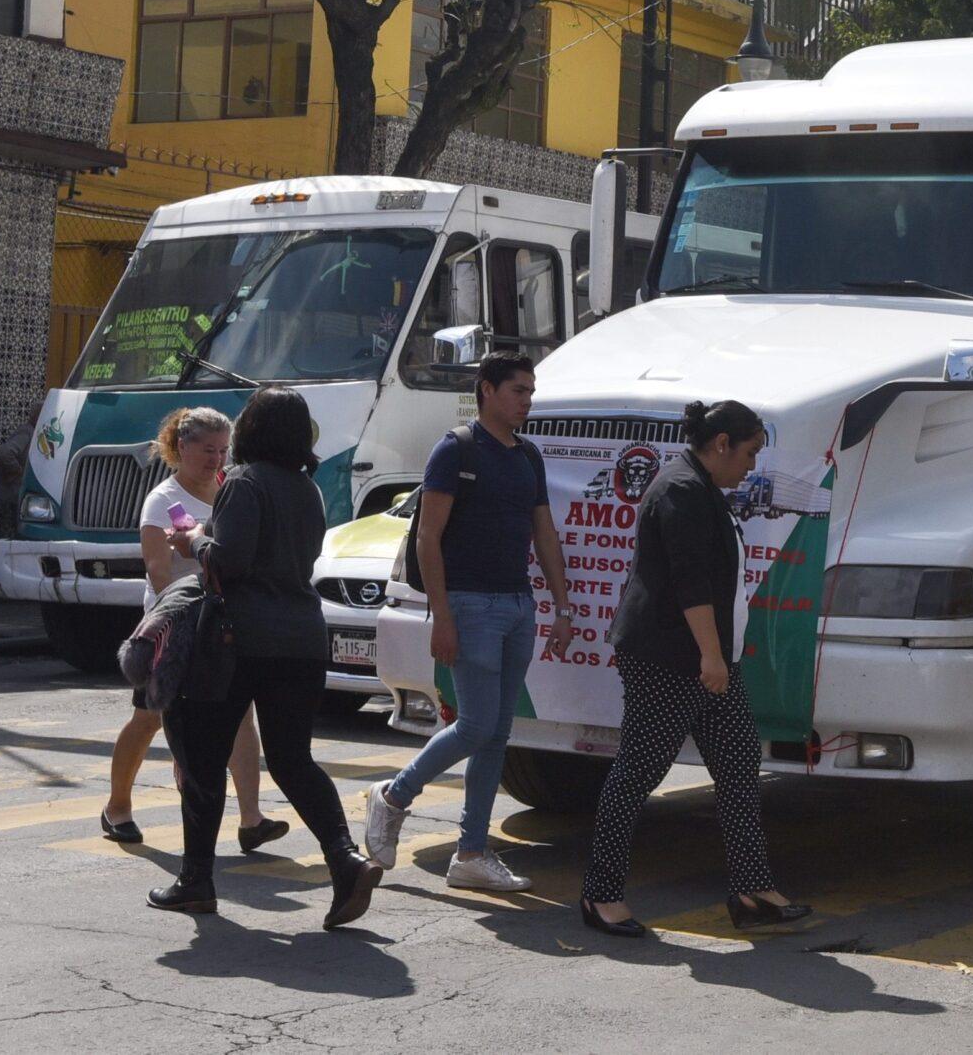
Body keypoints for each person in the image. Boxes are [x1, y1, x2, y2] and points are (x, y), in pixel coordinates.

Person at [578, 400, 810, 938]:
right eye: (749, 452)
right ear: (722, 443)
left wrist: (717, 657)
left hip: (707, 660)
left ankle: (752, 891)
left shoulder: (701, 487)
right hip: (672, 659)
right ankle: (600, 895)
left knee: (738, 762)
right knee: (638, 771)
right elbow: (689, 583)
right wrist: (710, 656)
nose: (752, 466)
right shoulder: (682, 489)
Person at [150, 389, 377, 927]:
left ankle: (196, 879)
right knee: (293, 758)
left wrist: (193, 543)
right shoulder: (307, 488)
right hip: (302, 639)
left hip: (240, 642)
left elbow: (230, 561)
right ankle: (345, 859)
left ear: (252, 429)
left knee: (202, 757)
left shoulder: (245, 483)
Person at [363, 352, 578, 891]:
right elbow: (427, 537)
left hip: (517, 605)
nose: (527, 400)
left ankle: (471, 854)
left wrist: (562, 604)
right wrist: (442, 615)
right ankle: (392, 796)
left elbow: (544, 532)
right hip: (469, 605)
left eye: (531, 391)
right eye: (517, 391)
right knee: (478, 726)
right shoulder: (455, 449)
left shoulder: (528, 454)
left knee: (496, 735)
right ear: (487, 390)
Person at [100, 407, 283, 854]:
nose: (217, 459)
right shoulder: (162, 501)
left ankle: (251, 818)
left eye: (224, 450)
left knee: (241, 717)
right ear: (181, 447)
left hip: (223, 625)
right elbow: (158, 574)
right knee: (148, 720)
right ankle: (117, 806)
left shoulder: (230, 489)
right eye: (208, 450)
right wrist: (188, 613)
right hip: (173, 630)